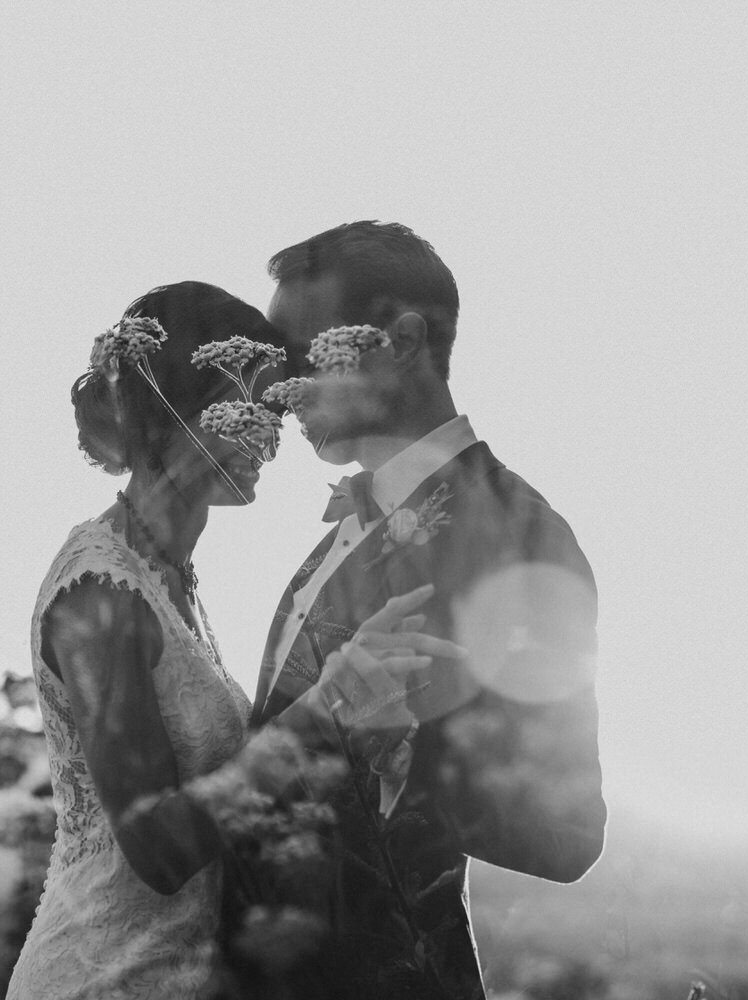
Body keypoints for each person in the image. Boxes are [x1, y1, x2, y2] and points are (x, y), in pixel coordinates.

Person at [5, 281, 461, 1000]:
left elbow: (234, 789)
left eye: (273, 408)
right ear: (171, 408)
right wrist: (326, 704)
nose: (270, 434)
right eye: (246, 405)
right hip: (106, 978)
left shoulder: (170, 576)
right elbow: (157, 848)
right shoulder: (99, 595)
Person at [246, 222, 607, 999]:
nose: (279, 392)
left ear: (403, 340)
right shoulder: (339, 533)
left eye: (306, 356)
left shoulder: (518, 534)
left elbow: (566, 833)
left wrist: (402, 747)